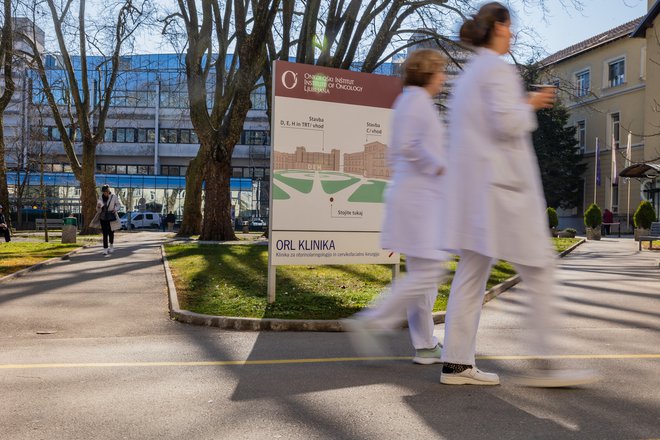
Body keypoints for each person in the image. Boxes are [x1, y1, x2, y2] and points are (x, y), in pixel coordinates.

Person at [439, 2, 598, 387]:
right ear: (497, 27)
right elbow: (505, 122)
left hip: (479, 193)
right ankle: (548, 366)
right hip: (505, 192)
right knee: (540, 270)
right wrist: (531, 101)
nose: (512, 34)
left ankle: (456, 364)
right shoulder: (495, 69)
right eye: (509, 27)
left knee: (472, 273)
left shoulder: (469, 76)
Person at [343, 49, 449, 365]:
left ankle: (425, 345)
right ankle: (372, 321)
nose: (444, 76)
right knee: (430, 271)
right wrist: (440, 167)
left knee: (423, 276)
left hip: (416, 197)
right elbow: (409, 146)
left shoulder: (412, 101)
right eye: (440, 71)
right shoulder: (416, 102)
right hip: (418, 200)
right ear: (428, 73)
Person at [95, 185, 121, 256]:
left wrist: (115, 209)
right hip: (103, 217)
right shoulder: (100, 197)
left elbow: (119, 205)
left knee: (111, 232)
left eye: (106, 191)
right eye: (104, 192)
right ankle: (105, 249)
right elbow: (97, 209)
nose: (105, 193)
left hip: (111, 216)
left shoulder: (114, 197)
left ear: (108, 191)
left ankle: (111, 246)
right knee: (105, 233)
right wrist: (98, 207)